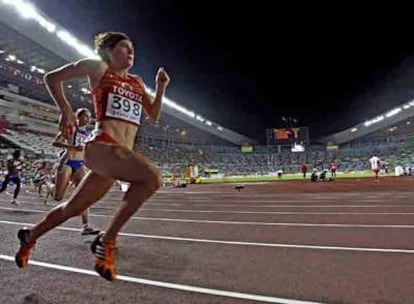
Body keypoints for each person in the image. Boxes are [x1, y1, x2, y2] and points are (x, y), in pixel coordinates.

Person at [15, 31, 170, 281]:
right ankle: (107, 240)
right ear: (107, 51)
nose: (130, 52)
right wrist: (66, 110)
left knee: (73, 208)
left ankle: (30, 235)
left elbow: (154, 114)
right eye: (123, 47)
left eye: (133, 49)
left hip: (118, 155)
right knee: (151, 177)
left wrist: (161, 87)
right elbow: (51, 78)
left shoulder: (137, 82)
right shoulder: (98, 68)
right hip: (102, 146)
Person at [51, 107, 99, 235]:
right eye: (85, 116)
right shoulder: (70, 128)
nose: (88, 119)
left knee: (84, 195)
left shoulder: (89, 134)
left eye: (89, 117)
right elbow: (55, 143)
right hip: (67, 161)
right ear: (78, 117)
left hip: (79, 164)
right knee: (58, 197)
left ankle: (86, 226)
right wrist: (71, 147)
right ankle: (50, 186)